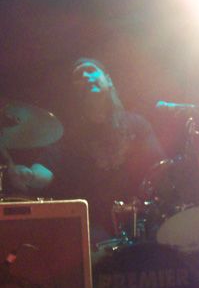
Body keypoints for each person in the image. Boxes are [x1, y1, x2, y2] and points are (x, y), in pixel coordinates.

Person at [22, 57, 166, 247]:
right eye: (78, 76)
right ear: (75, 92)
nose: (85, 76)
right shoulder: (69, 135)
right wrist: (29, 175)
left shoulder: (137, 124)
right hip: (93, 227)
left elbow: (160, 169)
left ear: (108, 79)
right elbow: (46, 170)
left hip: (139, 220)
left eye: (91, 70)